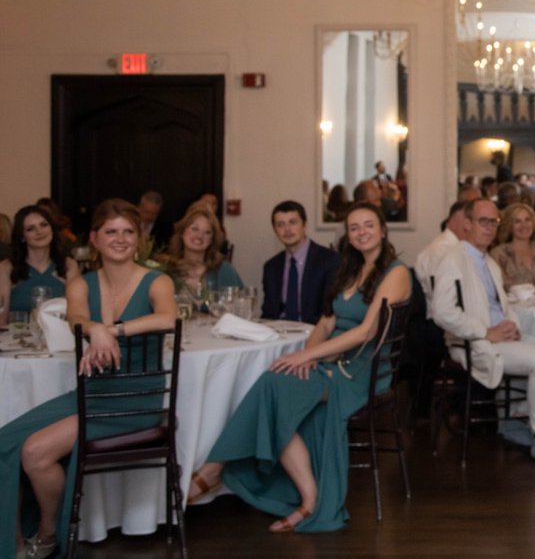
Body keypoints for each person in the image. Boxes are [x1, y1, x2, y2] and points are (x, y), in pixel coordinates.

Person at [187, 201, 412, 531]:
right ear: (348, 235)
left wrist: (307, 356)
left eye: (368, 225)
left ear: (382, 230)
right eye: (354, 227)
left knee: (273, 384)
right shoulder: (350, 269)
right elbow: (325, 321)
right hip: (332, 363)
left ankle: (215, 469)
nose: (361, 232)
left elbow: (367, 331)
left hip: (361, 372)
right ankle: (305, 498)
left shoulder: (397, 272)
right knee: (276, 384)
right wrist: (309, 356)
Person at [0, 199, 177, 559]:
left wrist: (111, 330)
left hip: (136, 399)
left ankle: (48, 536)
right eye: (111, 232)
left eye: (128, 232)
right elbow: (76, 319)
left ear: (138, 239)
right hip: (93, 391)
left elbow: (168, 317)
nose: (120, 239)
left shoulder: (157, 280)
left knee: (35, 453)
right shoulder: (81, 283)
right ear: (95, 239)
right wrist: (94, 328)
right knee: (6, 440)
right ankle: (11, 542)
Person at [430, 199, 535, 468]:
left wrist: (512, 325)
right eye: (483, 221)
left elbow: (503, 305)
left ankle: (517, 417)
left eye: (494, 222)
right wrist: (485, 332)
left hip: (500, 335)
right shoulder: (453, 260)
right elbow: (442, 312)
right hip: (474, 343)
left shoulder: (488, 261)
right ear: (467, 224)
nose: (490, 227)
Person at [260, 201, 338, 324]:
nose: (287, 229)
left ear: (304, 225)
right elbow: (268, 313)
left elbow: (331, 311)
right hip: (278, 330)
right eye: (280, 225)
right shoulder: (271, 267)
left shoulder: (329, 260)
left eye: (292, 222)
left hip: (314, 330)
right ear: (275, 230)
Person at [0, 205, 79, 325]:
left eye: (44, 225)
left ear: (52, 229)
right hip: (18, 335)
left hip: (60, 335)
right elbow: (1, 318)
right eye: (30, 229)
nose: (39, 232)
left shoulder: (69, 265)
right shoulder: (6, 268)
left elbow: (78, 314)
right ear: (22, 236)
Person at [158, 205, 243, 299]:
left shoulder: (223, 270)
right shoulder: (166, 269)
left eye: (207, 232)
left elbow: (239, 304)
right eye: (194, 229)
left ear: (212, 240)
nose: (199, 236)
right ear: (182, 232)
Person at [490, 203, 535, 290]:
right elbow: (503, 287)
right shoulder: (499, 254)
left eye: (527, 220)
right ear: (509, 226)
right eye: (517, 221)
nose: (524, 225)